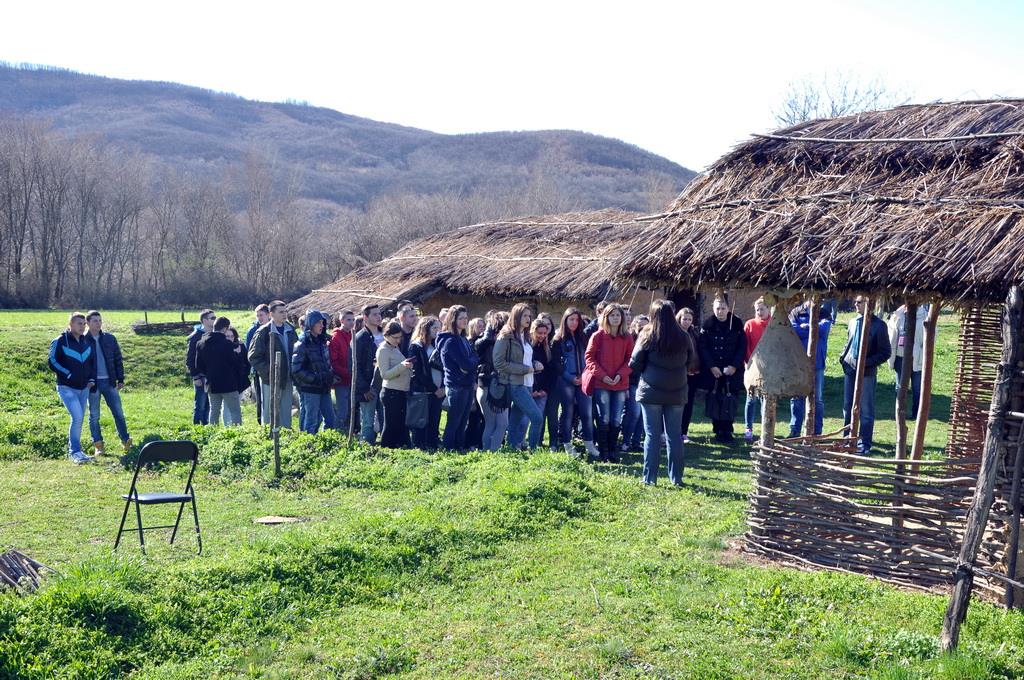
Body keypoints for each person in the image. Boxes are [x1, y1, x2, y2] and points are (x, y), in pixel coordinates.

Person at [630, 299, 698, 486]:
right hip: (677, 391)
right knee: (674, 435)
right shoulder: (684, 336)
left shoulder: (647, 334)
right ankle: (676, 478)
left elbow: (634, 362)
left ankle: (649, 478)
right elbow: (691, 361)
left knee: (652, 435)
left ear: (653, 315)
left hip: (650, 391)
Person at [840, 296, 891, 454]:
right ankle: (847, 438)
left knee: (866, 410)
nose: (855, 304)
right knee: (848, 407)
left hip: (867, 373)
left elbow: (885, 352)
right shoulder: (853, 322)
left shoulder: (879, 325)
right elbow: (849, 342)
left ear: (869, 304)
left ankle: (864, 443)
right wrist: (843, 358)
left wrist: (866, 362)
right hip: (850, 370)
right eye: (855, 301)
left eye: (859, 302)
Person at [584, 303, 634, 462]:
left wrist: (620, 375)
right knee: (603, 417)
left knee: (616, 419)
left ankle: (613, 450)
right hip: (602, 383)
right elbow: (589, 358)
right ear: (606, 317)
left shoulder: (627, 337)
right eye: (612, 315)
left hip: (620, 383)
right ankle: (604, 450)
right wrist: (602, 376)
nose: (615, 318)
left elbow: (631, 360)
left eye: (618, 315)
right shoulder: (597, 336)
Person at [494, 303, 545, 450]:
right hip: (515, 384)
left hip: (528, 383)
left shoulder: (525, 336)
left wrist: (534, 364)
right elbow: (499, 363)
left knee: (515, 421)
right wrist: (526, 369)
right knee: (537, 418)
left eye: (529, 316)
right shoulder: (506, 336)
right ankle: (534, 452)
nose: (528, 319)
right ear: (516, 316)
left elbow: (525, 358)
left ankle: (511, 449)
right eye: (525, 316)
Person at [49, 313, 97, 464]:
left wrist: (91, 379)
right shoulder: (60, 341)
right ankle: (74, 452)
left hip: (84, 389)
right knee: (77, 417)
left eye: (84, 324)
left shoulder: (87, 342)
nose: (82, 326)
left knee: (79, 419)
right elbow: (52, 361)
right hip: (66, 387)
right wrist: (68, 374)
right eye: (79, 324)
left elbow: (91, 363)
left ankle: (77, 452)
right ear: (70, 324)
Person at [698, 295, 746, 443]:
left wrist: (734, 366)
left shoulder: (737, 325)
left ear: (728, 309)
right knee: (715, 398)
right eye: (717, 308)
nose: (720, 311)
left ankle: (728, 429)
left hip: (732, 370)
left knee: (731, 399)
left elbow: (742, 347)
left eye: (723, 308)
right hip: (714, 371)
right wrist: (712, 366)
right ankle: (718, 429)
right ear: (713, 309)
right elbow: (703, 347)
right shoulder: (707, 326)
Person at [508, 317, 559, 450]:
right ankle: (518, 444)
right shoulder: (527, 347)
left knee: (537, 419)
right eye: (539, 333)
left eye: (544, 333)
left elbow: (550, 371)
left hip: (542, 391)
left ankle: (532, 445)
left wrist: (544, 390)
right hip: (527, 387)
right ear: (532, 331)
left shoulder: (547, 349)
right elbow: (525, 367)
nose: (542, 336)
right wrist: (533, 390)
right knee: (523, 420)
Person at [84, 310, 131, 453]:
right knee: (94, 416)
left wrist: (120, 378)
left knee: (119, 413)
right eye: (95, 321)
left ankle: (126, 441)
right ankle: (98, 446)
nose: (98, 323)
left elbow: (118, 359)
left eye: (100, 320)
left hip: (110, 382)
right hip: (93, 385)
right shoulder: (82, 340)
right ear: (88, 323)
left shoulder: (110, 338)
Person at [248, 300, 299, 429]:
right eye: (281, 312)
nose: (285, 314)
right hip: (270, 380)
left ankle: (285, 437)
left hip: (287, 378)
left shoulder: (290, 330)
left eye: (285, 311)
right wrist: (270, 371)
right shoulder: (263, 332)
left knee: (285, 411)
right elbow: (253, 356)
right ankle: (269, 437)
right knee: (270, 411)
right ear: (271, 314)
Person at [553, 307, 594, 458]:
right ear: (565, 320)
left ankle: (589, 444)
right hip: (566, 380)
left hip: (583, 379)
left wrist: (584, 376)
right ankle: (567, 444)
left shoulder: (583, 337)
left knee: (587, 413)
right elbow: (557, 363)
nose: (574, 322)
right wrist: (570, 378)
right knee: (568, 413)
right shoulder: (558, 339)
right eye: (571, 319)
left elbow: (589, 359)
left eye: (577, 320)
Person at [437, 305, 479, 451]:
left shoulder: (463, 339)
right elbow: (466, 365)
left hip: (467, 384)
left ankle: (459, 447)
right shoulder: (450, 341)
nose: (464, 321)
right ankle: (448, 448)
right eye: (460, 318)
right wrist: (470, 363)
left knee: (463, 421)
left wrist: (471, 362)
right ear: (453, 319)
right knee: (454, 421)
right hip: (456, 385)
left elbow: (474, 358)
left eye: (466, 318)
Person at [789, 301, 832, 437]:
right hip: (798, 363)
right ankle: (795, 430)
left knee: (817, 399)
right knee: (796, 397)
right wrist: (814, 329)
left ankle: (816, 431)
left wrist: (806, 327)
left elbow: (824, 330)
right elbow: (794, 331)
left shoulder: (824, 312)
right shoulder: (796, 312)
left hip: (818, 363)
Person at [291, 309, 334, 434]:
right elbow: (296, 370)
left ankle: (328, 445)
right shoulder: (302, 343)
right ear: (311, 324)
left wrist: (331, 376)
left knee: (331, 419)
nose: (322, 325)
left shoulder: (322, 342)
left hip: (324, 386)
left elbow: (326, 364)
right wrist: (315, 378)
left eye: (322, 322)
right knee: (312, 421)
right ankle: (308, 448)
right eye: (318, 322)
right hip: (310, 388)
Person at [197, 316, 245, 426]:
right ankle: (237, 434)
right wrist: (237, 354)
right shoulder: (227, 344)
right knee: (235, 411)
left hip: (211, 382)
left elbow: (198, 365)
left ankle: (212, 433)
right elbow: (235, 363)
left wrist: (209, 373)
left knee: (214, 411)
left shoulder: (201, 343)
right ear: (224, 329)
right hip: (228, 383)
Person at [375, 320, 415, 447]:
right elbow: (385, 375)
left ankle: (400, 446)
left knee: (400, 423)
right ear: (386, 335)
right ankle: (386, 448)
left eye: (400, 337)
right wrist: (402, 366)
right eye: (396, 337)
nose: (399, 340)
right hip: (391, 392)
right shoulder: (383, 350)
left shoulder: (394, 347)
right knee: (391, 424)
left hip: (401, 390)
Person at [408, 316, 444, 450]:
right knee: (421, 420)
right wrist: (434, 388)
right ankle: (419, 447)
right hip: (423, 390)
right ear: (425, 328)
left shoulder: (437, 345)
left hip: (438, 390)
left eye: (438, 328)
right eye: (434, 328)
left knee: (434, 420)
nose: (437, 331)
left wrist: (441, 387)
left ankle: (432, 445)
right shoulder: (416, 346)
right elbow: (417, 372)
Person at [476, 311, 510, 451]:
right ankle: (491, 453)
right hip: (492, 385)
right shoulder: (495, 343)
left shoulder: (484, 341)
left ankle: (488, 452)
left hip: (485, 385)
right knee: (500, 423)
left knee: (492, 424)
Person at [887, 303, 926, 419]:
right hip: (900, 356)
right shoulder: (898, 315)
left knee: (917, 388)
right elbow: (891, 333)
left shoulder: (924, 316)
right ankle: (900, 412)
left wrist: (920, 352)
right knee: (899, 387)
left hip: (916, 357)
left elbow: (931, 337)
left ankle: (916, 414)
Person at [353, 303, 384, 443]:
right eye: (375, 314)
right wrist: (364, 388)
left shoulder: (385, 334)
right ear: (365, 317)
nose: (379, 317)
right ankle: (366, 450)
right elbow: (355, 365)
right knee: (368, 421)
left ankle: (388, 447)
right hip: (368, 386)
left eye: (379, 313)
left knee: (386, 418)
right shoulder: (360, 338)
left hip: (386, 384)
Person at [742, 298, 772, 442]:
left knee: (765, 399)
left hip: (769, 367)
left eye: (762, 309)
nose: (759, 312)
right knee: (751, 398)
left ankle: (764, 429)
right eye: (757, 310)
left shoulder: (774, 325)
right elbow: (745, 345)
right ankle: (748, 428)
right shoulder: (749, 324)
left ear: (768, 309)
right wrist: (749, 363)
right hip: (752, 367)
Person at [620, 314, 649, 453]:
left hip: (645, 382)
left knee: (643, 415)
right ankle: (625, 441)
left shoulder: (650, 342)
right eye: (640, 326)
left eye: (646, 326)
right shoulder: (630, 341)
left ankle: (636, 442)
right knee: (634, 413)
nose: (643, 329)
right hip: (631, 382)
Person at [676, 308, 701, 443]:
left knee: (689, 403)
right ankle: (674, 431)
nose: (686, 322)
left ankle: (684, 432)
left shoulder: (694, 333)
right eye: (684, 319)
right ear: (679, 318)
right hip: (678, 375)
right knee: (677, 404)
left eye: (689, 319)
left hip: (693, 374)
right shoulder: (675, 333)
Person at [186, 309, 216, 425]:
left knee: (210, 404)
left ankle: (206, 426)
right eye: (212, 318)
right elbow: (190, 359)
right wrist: (195, 376)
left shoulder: (215, 334)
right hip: (200, 377)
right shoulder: (196, 336)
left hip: (211, 375)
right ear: (204, 320)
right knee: (200, 404)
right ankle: (197, 428)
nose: (215, 320)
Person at [329, 309, 355, 434]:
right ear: (342, 321)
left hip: (352, 379)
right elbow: (333, 362)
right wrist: (347, 372)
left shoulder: (353, 335)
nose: (351, 322)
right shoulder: (335, 337)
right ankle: (338, 433)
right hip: (342, 379)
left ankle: (348, 432)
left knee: (352, 408)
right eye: (348, 320)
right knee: (342, 410)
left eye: (353, 320)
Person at [464, 315, 487, 449]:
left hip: (480, 381)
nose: (482, 328)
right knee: (472, 416)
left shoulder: (482, 341)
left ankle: (478, 442)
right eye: (479, 326)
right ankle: (469, 442)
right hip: (473, 382)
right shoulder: (470, 342)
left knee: (480, 415)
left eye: (483, 326)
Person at [245, 304, 270, 424]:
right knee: (260, 398)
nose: (259, 318)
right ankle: (261, 423)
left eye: (261, 315)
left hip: (273, 368)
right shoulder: (252, 330)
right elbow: (249, 351)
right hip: (258, 370)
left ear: (268, 315)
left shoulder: (273, 328)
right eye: (257, 315)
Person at [226, 326, 251, 415]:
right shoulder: (222, 347)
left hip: (240, 380)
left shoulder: (240, 346)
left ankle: (234, 426)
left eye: (231, 336)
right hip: (227, 380)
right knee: (227, 406)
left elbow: (246, 361)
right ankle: (228, 426)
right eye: (227, 336)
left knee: (237, 404)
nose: (229, 338)